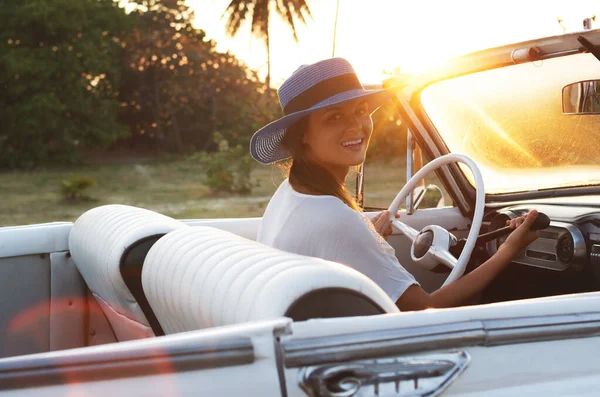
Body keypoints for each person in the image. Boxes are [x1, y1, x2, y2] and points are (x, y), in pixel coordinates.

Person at [250, 58, 539, 311]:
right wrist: (509, 250)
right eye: (334, 117)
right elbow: (427, 308)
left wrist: (369, 233)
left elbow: (325, 250)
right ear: (303, 135)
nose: (356, 126)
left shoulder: (291, 193)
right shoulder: (335, 220)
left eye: (361, 110)